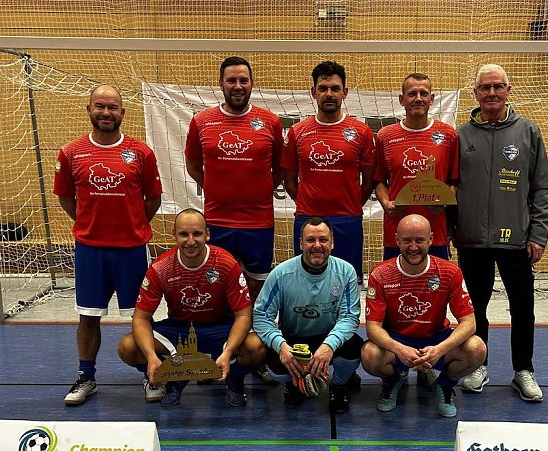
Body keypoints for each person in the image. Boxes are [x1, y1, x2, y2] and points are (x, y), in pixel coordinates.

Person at [54, 84, 162, 406]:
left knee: (141, 317)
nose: (106, 113)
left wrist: (130, 222)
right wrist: (91, 224)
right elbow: (65, 198)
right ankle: (86, 376)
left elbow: (152, 199)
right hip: (91, 250)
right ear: (88, 110)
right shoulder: (71, 152)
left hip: (131, 250)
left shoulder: (141, 153)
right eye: (99, 106)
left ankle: (151, 375)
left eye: (112, 107)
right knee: (88, 316)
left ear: (122, 113)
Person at [455, 63, 548, 403]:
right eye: (485, 87)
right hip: (471, 241)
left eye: (498, 86)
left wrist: (538, 233)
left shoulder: (529, 132)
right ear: (476, 94)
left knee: (522, 307)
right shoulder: (461, 135)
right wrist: (455, 229)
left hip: (516, 240)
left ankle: (523, 370)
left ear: (508, 91)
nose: (492, 93)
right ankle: (478, 366)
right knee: (474, 308)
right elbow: (450, 188)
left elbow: (541, 189)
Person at [116, 209, 266, 407]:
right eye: (184, 234)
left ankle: (234, 380)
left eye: (197, 234)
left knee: (257, 347)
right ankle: (173, 378)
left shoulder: (225, 263)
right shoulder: (161, 268)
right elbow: (141, 318)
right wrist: (151, 357)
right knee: (128, 347)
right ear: (173, 235)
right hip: (179, 329)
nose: (190, 241)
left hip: (220, 329)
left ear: (208, 234)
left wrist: (229, 351)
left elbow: (244, 316)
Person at [361, 214, 485, 418]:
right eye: (407, 240)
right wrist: (400, 349)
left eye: (419, 240)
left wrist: (439, 350)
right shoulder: (380, 274)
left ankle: (444, 385)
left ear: (431, 239)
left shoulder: (449, 272)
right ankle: (393, 381)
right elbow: (372, 327)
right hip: (398, 339)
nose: (413, 247)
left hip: (436, 339)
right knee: (369, 354)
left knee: (477, 348)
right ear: (396, 240)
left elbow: (469, 323)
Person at [184, 56, 284, 300]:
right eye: (231, 80)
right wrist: (213, 187)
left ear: (252, 83)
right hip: (218, 220)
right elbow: (193, 164)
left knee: (256, 288)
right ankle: (222, 337)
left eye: (243, 80)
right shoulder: (202, 121)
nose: (238, 86)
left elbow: (281, 167)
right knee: (217, 286)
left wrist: (261, 191)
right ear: (221, 83)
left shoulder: (270, 122)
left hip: (258, 222)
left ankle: (252, 336)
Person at [253, 217, 363, 414]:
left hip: (328, 338)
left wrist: (329, 345)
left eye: (323, 239)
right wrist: (281, 346)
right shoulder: (281, 273)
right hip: (293, 341)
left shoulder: (346, 271)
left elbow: (350, 316)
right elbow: (261, 316)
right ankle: (293, 382)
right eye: (310, 240)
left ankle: (338, 385)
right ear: (301, 243)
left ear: (332, 242)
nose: (317, 246)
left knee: (355, 348)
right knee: (272, 361)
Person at [282, 60, 376, 284]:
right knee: (305, 281)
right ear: (313, 92)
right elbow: (289, 180)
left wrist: (352, 204)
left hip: (348, 220)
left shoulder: (361, 132)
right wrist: (308, 204)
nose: (329, 94)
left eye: (335, 89)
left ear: (345, 92)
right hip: (307, 218)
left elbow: (369, 179)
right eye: (323, 89)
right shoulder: (297, 132)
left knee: (347, 283)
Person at [374, 73, 459, 262]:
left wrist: (444, 203)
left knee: (436, 287)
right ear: (402, 100)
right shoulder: (385, 136)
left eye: (423, 93)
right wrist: (386, 203)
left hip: (434, 232)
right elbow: (378, 180)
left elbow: (454, 180)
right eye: (412, 94)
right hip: (396, 232)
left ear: (432, 99)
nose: (418, 99)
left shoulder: (448, 135)